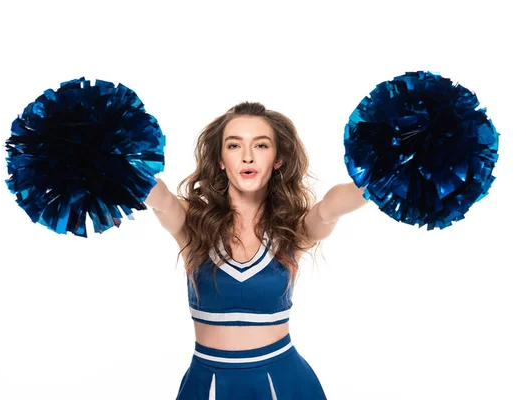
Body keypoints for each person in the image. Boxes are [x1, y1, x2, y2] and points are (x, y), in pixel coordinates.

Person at [146, 101, 367, 399]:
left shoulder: (293, 229)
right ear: (221, 160)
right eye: (234, 145)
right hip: (207, 384)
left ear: (278, 159)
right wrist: (120, 166)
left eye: (261, 146)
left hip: (285, 383)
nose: (248, 157)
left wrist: (381, 179)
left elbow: (330, 208)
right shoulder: (192, 224)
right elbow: (161, 199)